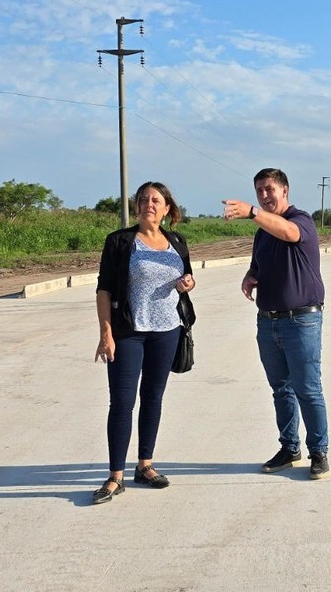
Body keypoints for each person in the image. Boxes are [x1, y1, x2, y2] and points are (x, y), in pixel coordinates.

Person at [222, 168, 330, 480]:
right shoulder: (261, 235)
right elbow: (259, 265)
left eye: (270, 189)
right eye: (259, 191)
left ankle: (319, 452)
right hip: (268, 322)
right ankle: (290, 447)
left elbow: (289, 234)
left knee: (307, 388)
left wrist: (252, 212)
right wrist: (250, 276)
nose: (265, 196)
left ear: (284, 190)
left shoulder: (301, 219)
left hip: (302, 321)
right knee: (281, 389)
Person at [91, 181, 196, 505]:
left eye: (156, 200)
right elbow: (104, 290)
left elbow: (186, 278)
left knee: (153, 397)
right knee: (121, 403)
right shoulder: (121, 242)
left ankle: (145, 465)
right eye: (143, 199)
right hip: (129, 332)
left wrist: (187, 284)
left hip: (167, 331)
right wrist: (106, 334)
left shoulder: (177, 242)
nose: (149, 204)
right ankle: (115, 476)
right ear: (137, 207)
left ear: (167, 208)